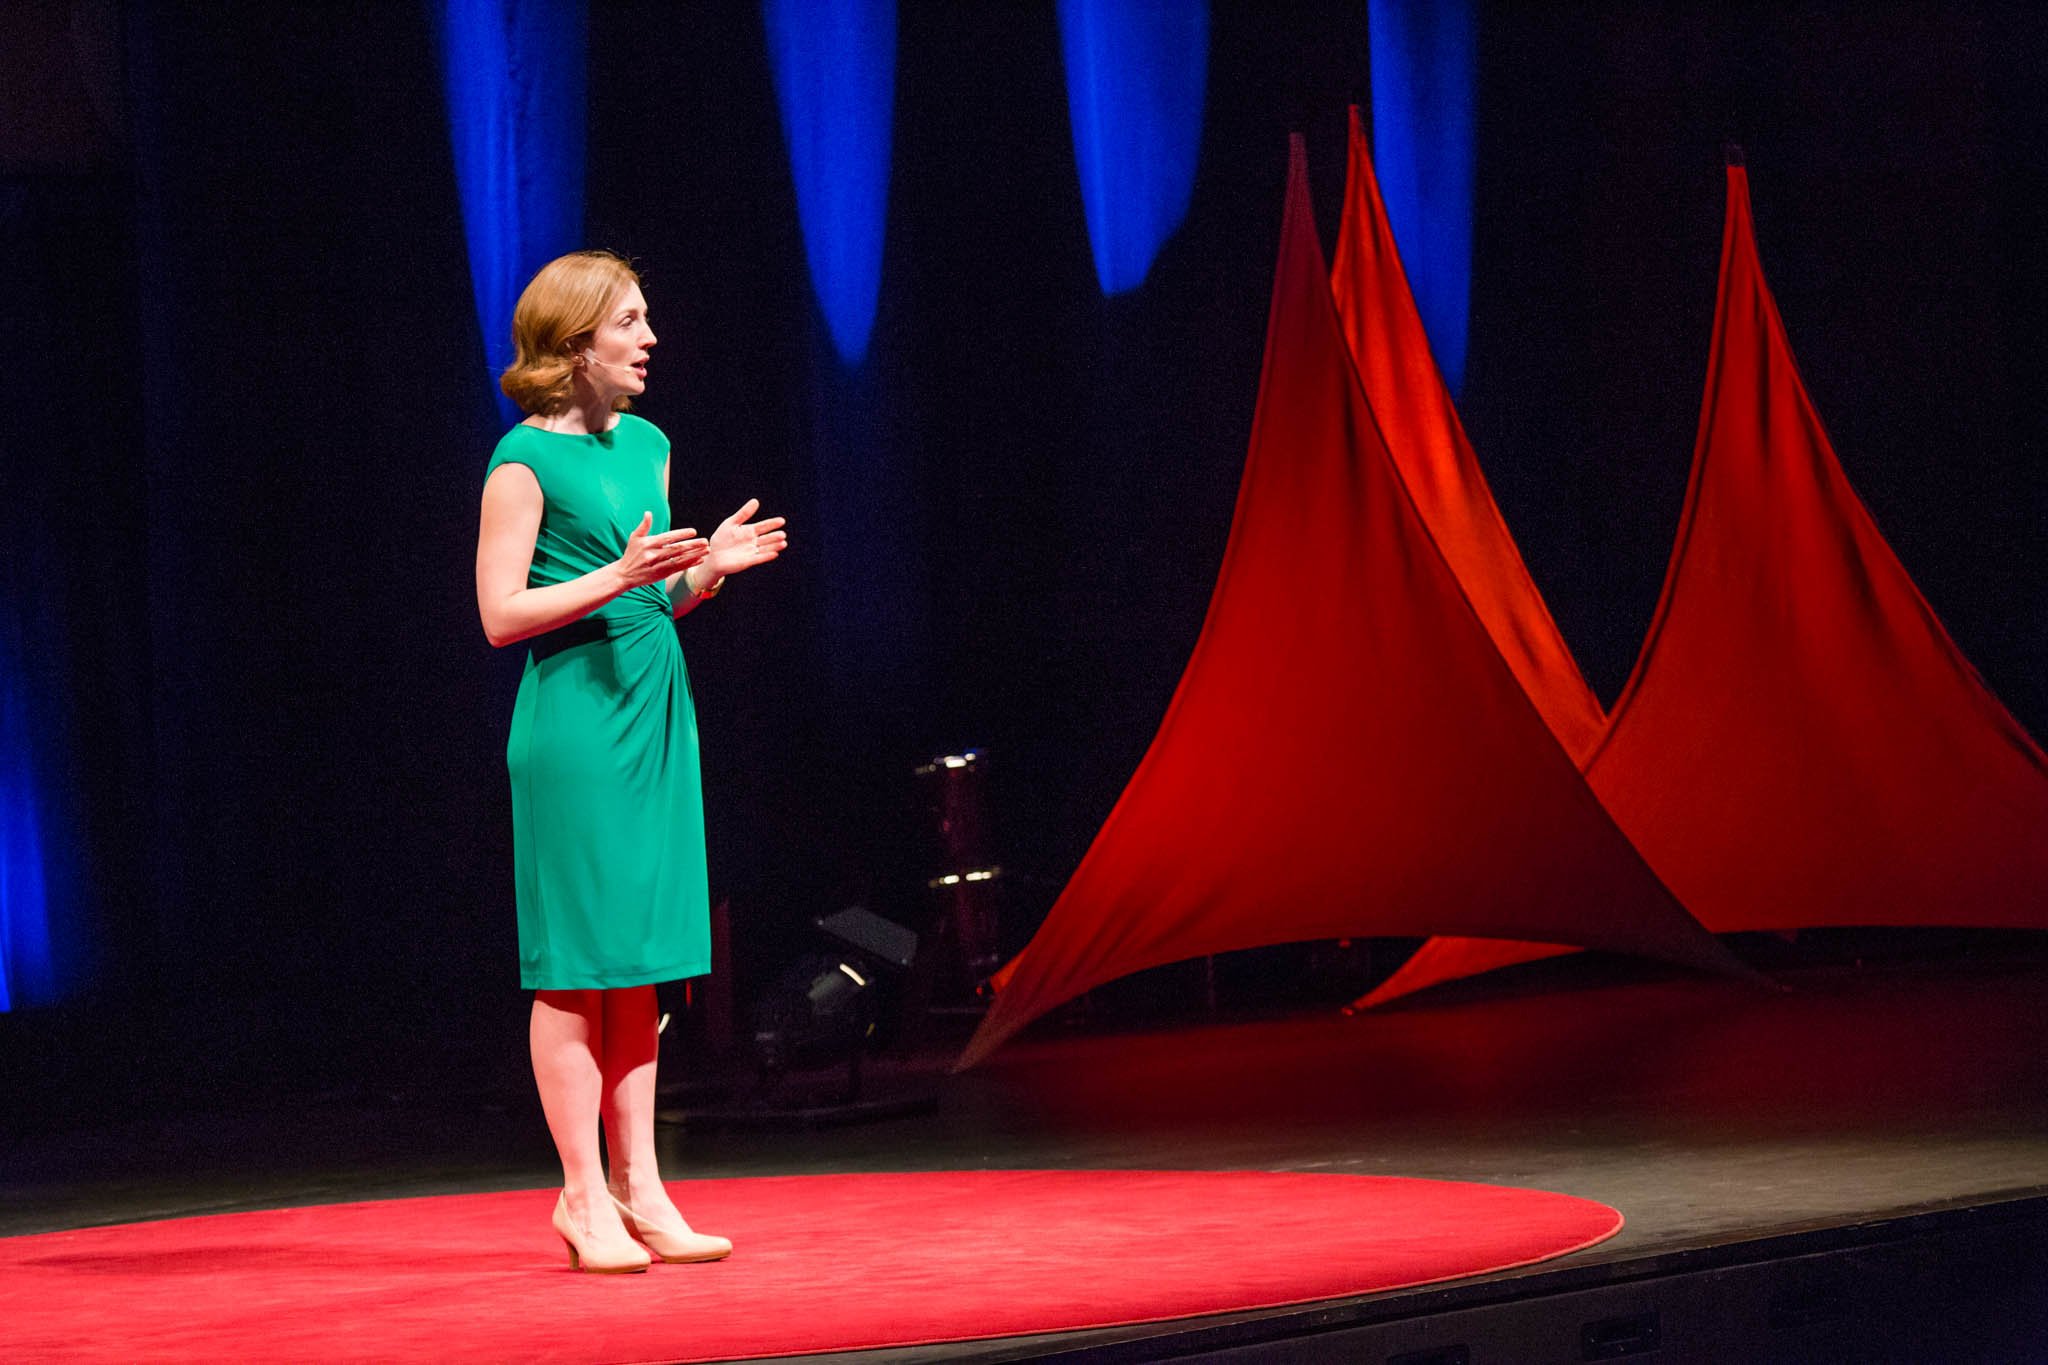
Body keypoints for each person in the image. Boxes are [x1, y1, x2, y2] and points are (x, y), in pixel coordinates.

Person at [474, 250, 787, 1273]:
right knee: (575, 971)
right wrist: (616, 575)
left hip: (655, 714)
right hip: (571, 730)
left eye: (646, 319)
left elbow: (651, 595)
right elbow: (499, 613)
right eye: (629, 322)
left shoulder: (646, 443)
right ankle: (579, 1197)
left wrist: (702, 575)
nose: (649, 338)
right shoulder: (521, 460)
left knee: (639, 967)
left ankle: (642, 1192)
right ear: (576, 345)